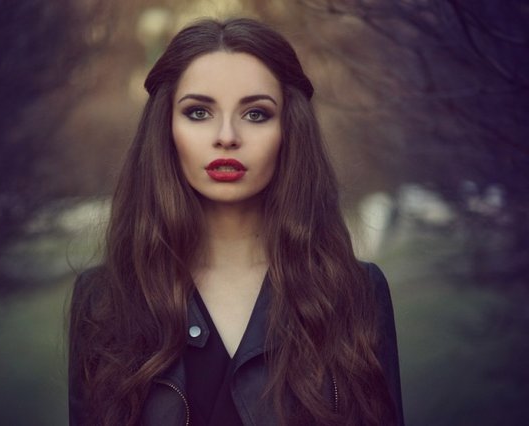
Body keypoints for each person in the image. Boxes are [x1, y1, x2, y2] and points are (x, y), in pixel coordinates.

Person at [69, 18, 404, 426]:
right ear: (165, 130)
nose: (226, 136)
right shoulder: (104, 299)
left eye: (256, 114)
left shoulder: (354, 294)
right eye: (198, 112)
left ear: (289, 131)